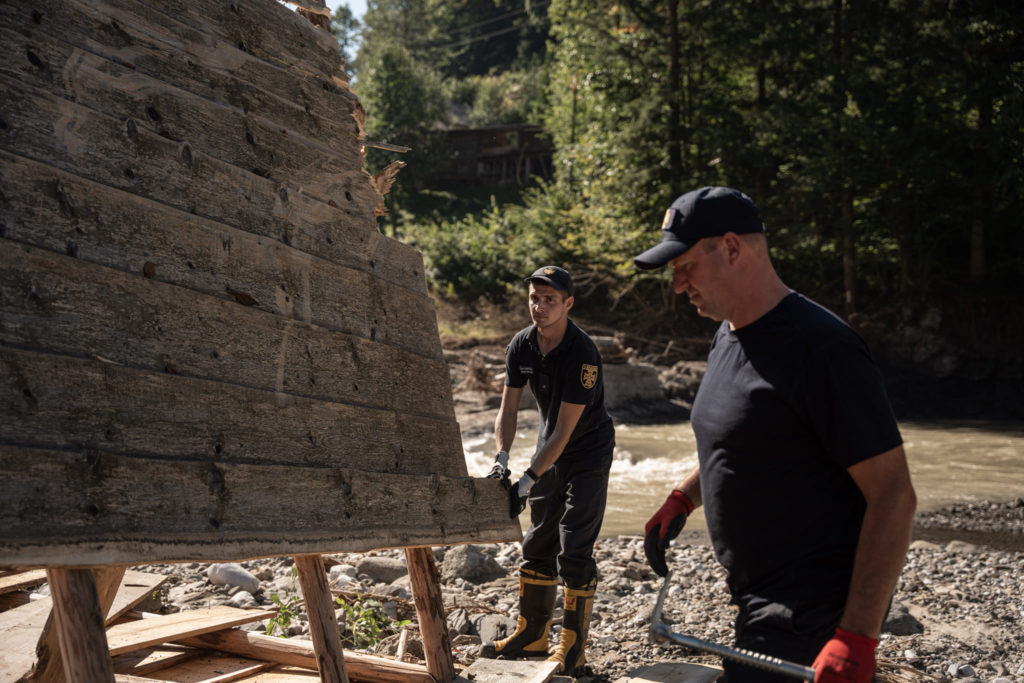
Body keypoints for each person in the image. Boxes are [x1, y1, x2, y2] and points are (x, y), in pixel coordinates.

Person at [634, 186, 917, 683]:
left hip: (813, 610)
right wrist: (682, 497)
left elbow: (894, 494)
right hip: (756, 597)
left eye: (685, 267)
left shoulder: (822, 348)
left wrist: (856, 637)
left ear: (731, 248)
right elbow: (745, 437)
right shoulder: (728, 334)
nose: (678, 285)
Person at [479, 265, 616, 676]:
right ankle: (532, 634)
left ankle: (572, 649)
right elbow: (507, 410)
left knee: (573, 546)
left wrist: (528, 478)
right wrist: (502, 460)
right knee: (537, 540)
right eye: (534, 298)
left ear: (568, 304)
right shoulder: (521, 345)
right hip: (548, 448)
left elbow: (564, 430)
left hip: (586, 451)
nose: (539, 306)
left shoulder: (582, 354)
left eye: (550, 300)